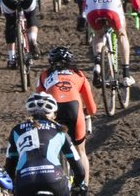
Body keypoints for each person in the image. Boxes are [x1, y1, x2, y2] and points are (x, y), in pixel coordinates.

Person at [5, 93, 90, 196]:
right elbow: (78, 168)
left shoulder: (16, 130)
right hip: (53, 177)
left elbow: (9, 166)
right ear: (53, 114)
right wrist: (80, 185)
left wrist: (12, 187)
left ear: (29, 113)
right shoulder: (60, 130)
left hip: (26, 180)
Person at [35, 47, 98, 182]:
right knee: (80, 151)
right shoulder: (79, 75)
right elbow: (92, 109)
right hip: (74, 110)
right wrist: (86, 113)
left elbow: (38, 101)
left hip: (53, 111)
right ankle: (84, 191)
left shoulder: (44, 75)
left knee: (48, 147)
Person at [83, 0, 140, 88]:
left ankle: (97, 63)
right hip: (112, 4)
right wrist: (137, 9)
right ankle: (126, 74)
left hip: (92, 5)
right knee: (121, 34)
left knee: (98, 34)